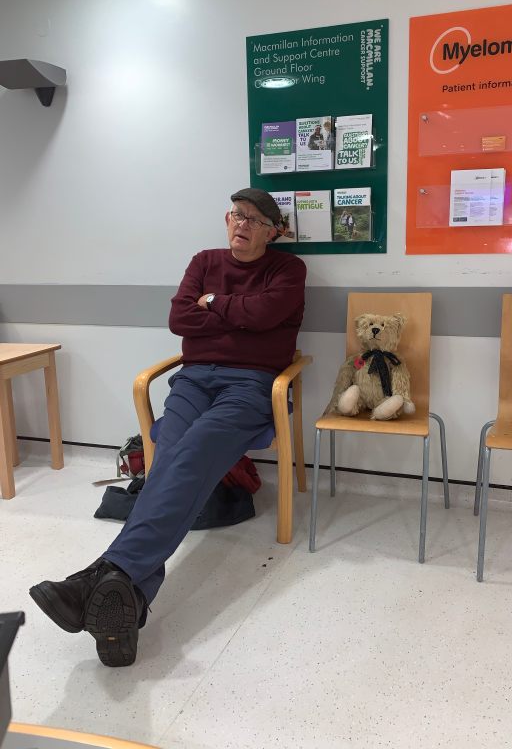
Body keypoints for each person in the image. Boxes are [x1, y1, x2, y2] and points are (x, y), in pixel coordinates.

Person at [29, 188, 307, 668]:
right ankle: (124, 596)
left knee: (193, 449)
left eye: (254, 219)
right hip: (195, 379)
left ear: (272, 231)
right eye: (236, 215)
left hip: (251, 385)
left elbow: (264, 314)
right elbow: (180, 318)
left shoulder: (288, 270)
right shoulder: (204, 259)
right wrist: (233, 316)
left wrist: (214, 305)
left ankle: (101, 575)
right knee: (170, 450)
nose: (241, 224)